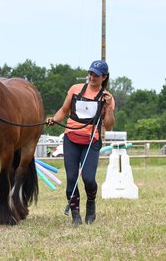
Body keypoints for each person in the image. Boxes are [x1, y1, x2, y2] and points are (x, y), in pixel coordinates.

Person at [47, 60, 115, 226]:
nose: (92, 77)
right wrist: (54, 120)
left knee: (88, 179)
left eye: (96, 75)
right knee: (71, 178)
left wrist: (109, 108)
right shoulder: (75, 89)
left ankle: (91, 204)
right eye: (90, 73)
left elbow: (109, 125)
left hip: (91, 140)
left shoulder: (107, 97)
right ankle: (75, 214)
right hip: (71, 138)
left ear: (104, 77)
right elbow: (63, 110)